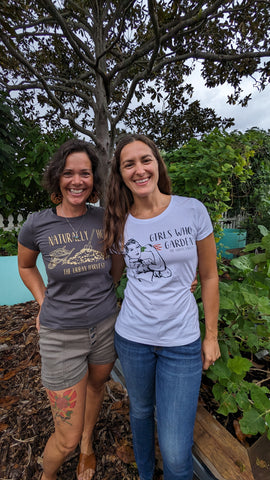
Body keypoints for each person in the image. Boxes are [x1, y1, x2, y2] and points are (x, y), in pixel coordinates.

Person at [104, 134, 221, 480]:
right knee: (139, 411)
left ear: (157, 164)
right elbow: (110, 280)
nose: (139, 169)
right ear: (121, 173)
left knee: (175, 451)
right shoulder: (120, 221)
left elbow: (210, 276)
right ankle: (143, 473)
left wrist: (211, 335)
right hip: (132, 338)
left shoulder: (191, 209)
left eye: (145, 160)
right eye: (129, 164)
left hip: (181, 343)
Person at [18, 138, 119, 480]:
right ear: (57, 178)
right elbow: (26, 267)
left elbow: (115, 269)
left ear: (94, 180)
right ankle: (49, 474)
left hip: (105, 327)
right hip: (61, 335)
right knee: (65, 439)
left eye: (85, 174)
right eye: (69, 173)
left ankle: (88, 446)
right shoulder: (37, 224)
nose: (77, 180)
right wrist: (43, 300)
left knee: (96, 385)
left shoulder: (104, 219)